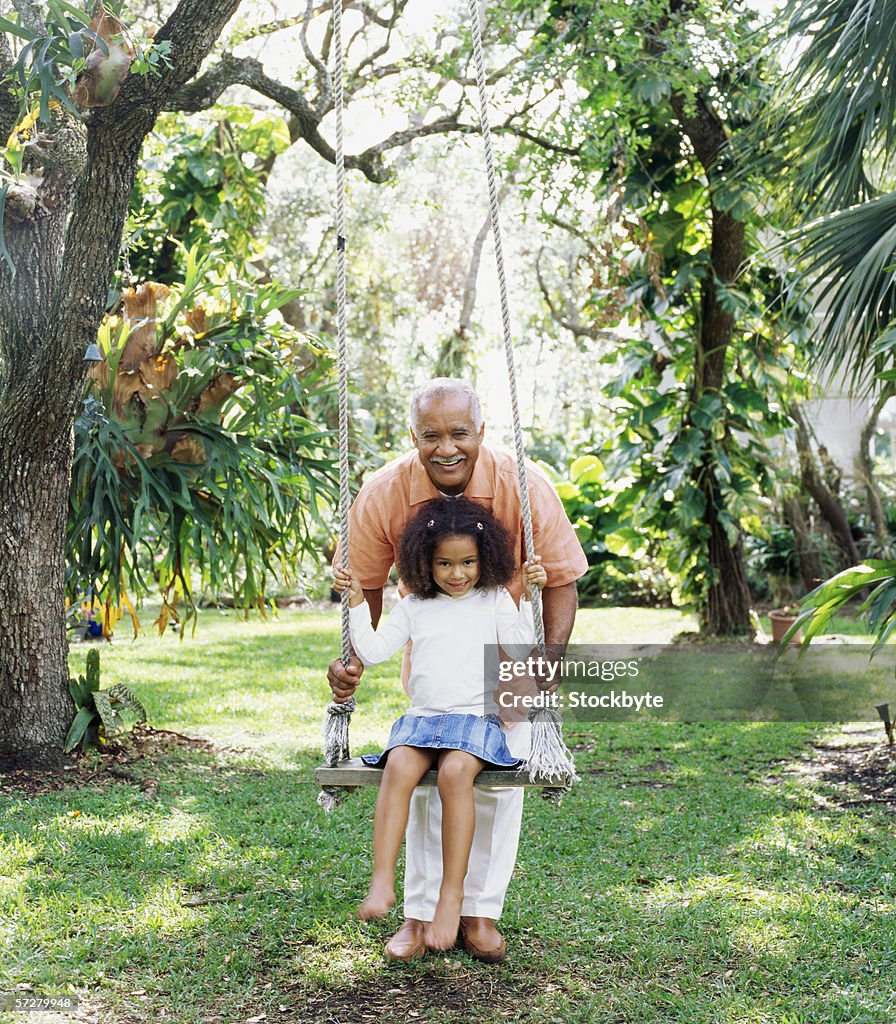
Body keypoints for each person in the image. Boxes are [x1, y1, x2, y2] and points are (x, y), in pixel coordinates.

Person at [328, 377, 587, 963]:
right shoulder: (385, 493)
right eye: (430, 435)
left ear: (482, 431)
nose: (446, 447)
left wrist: (547, 663)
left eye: (459, 433)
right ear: (412, 436)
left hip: (509, 643)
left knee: (494, 786)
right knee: (423, 787)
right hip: (436, 661)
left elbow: (563, 580)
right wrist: (351, 663)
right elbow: (364, 587)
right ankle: (418, 916)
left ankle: (479, 913)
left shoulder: (525, 485)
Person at [333, 496, 547, 952]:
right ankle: (382, 881)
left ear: (483, 558)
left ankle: (452, 896)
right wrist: (354, 604)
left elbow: (523, 647)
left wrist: (530, 598)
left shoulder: (494, 600)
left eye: (468, 561)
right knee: (399, 769)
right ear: (423, 562)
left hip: (474, 721)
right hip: (424, 721)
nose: (457, 573)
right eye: (444, 563)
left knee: (454, 775)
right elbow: (371, 651)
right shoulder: (415, 606)